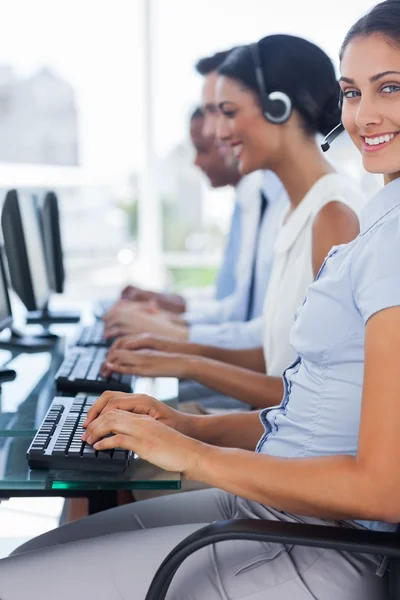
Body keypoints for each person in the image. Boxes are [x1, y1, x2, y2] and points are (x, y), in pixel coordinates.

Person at [3, 12, 400, 598]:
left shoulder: (379, 237)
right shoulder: (378, 218)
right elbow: (312, 420)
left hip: (315, 542)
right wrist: (184, 424)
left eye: (389, 87)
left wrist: (188, 450)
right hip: (275, 508)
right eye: (352, 92)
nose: (363, 113)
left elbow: (382, 488)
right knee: (35, 555)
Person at [100, 34, 365, 412]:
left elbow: (322, 402)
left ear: (279, 107)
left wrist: (185, 365)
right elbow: (276, 356)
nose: (217, 132)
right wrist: (169, 352)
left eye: (229, 112)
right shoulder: (298, 211)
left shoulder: (335, 215)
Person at [102, 51, 289, 351]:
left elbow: (271, 346)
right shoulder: (258, 199)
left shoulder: (301, 206)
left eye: (224, 111)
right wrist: (170, 315)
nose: (212, 130)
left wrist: (173, 333)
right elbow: (238, 307)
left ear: (273, 108)